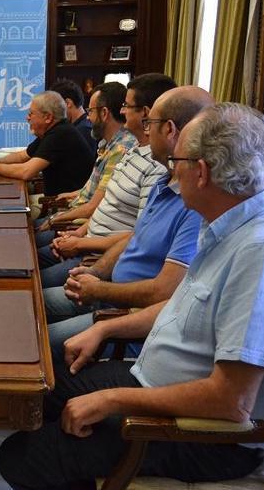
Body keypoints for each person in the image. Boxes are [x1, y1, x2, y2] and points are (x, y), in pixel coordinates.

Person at [0, 103, 264, 489]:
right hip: (151, 378)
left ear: (201, 172)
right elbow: (183, 304)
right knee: (37, 394)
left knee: (23, 456)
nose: (171, 172)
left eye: (176, 161)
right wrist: (106, 331)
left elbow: (231, 401)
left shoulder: (263, 252)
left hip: (206, 436)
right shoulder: (230, 223)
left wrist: (113, 400)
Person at [44, 86, 211, 359]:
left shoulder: (194, 203)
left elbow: (165, 291)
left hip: (127, 319)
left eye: (150, 123)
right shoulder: (164, 182)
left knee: (37, 341)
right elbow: (134, 238)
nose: (145, 130)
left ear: (169, 130)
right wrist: (96, 273)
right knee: (28, 306)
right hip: (106, 289)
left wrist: (99, 286)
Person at [37, 77, 173, 288]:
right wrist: (78, 233)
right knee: (24, 266)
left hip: (95, 258)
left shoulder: (153, 165)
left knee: (31, 282)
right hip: (84, 241)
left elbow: (137, 235)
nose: (123, 111)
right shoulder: (132, 150)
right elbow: (105, 205)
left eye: (127, 106)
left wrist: (78, 241)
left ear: (146, 113)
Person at [31, 81, 137, 237]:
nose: (89, 117)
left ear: (104, 113)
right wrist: (76, 193)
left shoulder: (120, 150)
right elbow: (98, 189)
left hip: (79, 226)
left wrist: (56, 218)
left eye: (91, 111)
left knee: (28, 238)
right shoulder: (108, 144)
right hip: (75, 214)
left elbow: (94, 206)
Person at [0, 90, 95, 197]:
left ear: (48, 117)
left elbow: (26, 172)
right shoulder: (53, 130)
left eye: (31, 114)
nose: (27, 118)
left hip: (63, 205)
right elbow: (22, 156)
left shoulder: (61, 134)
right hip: (54, 199)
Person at [50, 78, 96, 152]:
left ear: (68, 103)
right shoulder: (78, 127)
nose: (53, 113)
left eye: (55, 107)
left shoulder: (83, 131)